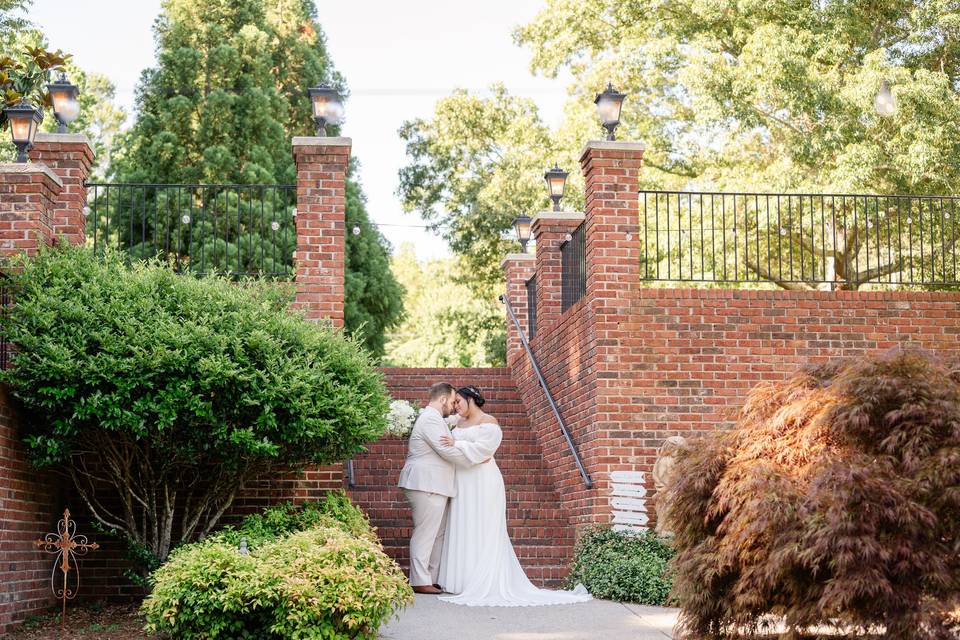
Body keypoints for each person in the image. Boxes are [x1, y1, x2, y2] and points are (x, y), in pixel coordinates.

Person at [437, 385, 592, 606]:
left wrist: (458, 443)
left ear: (471, 400)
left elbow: (484, 452)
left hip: (483, 480)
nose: (455, 407)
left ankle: (481, 581)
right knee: (463, 524)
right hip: (462, 480)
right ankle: (461, 580)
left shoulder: (489, 423)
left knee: (483, 527)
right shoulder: (456, 422)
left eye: (459, 402)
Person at [397, 382, 474, 594]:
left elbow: (452, 421)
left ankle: (430, 577)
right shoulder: (430, 419)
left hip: (436, 484)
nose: (453, 406)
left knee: (437, 534)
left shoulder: (435, 418)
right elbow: (445, 450)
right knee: (426, 533)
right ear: (442, 400)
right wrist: (474, 459)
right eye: (451, 401)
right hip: (425, 483)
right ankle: (419, 580)